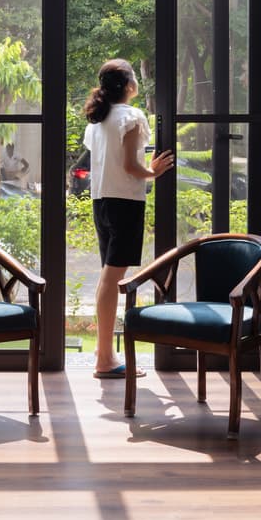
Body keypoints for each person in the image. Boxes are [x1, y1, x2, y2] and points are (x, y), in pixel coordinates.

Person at [82, 57, 174, 378]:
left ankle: (102, 351)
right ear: (131, 86)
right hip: (125, 203)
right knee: (112, 278)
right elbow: (130, 168)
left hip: (102, 201)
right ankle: (105, 359)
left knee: (108, 275)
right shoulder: (133, 117)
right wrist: (154, 171)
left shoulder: (98, 120)